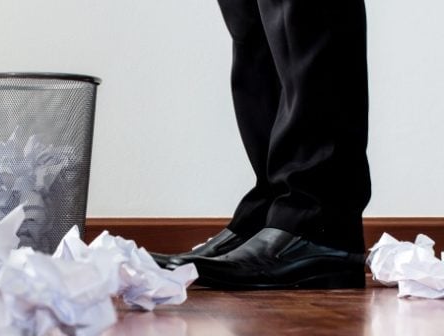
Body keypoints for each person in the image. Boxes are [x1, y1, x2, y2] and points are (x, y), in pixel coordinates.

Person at [152, 0, 371, 290]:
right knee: (250, 19)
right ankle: (271, 212)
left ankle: (315, 223)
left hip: (317, 218)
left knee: (304, 13)